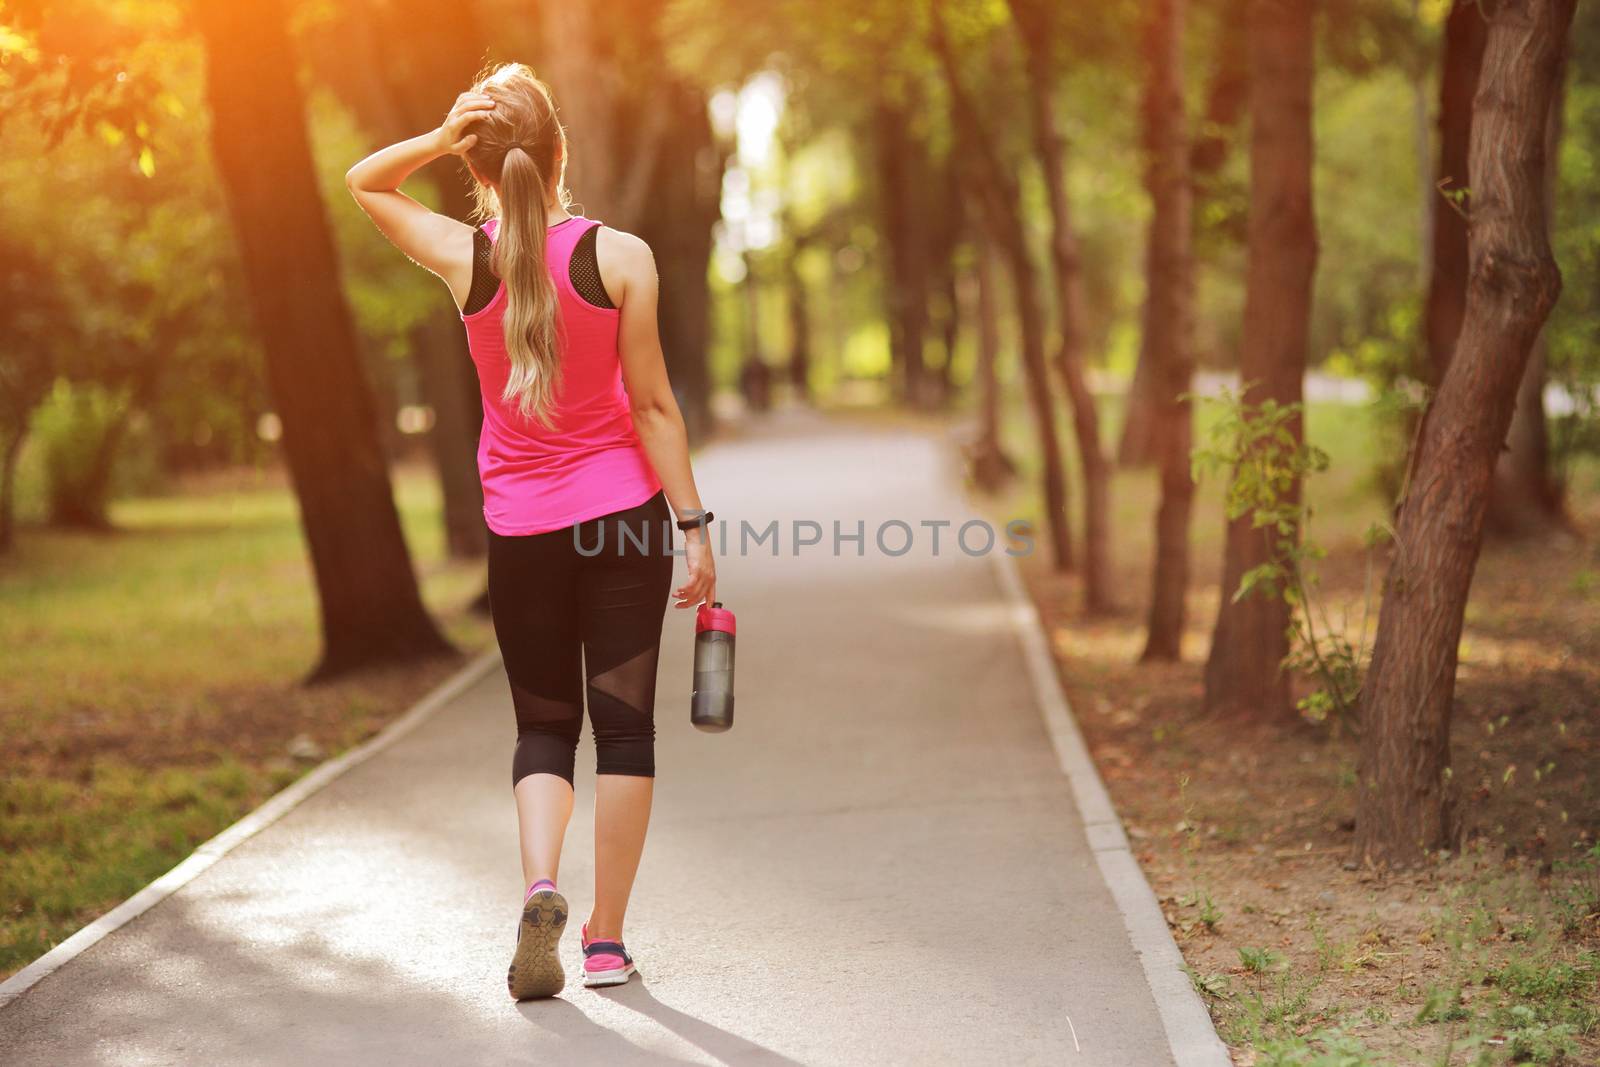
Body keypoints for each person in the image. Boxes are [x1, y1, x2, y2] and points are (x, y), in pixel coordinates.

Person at [345, 63, 717, 1000]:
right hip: (623, 524)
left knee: (544, 726)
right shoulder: (622, 256)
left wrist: (438, 137)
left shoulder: (466, 258)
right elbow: (657, 407)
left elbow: (363, 182)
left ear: (479, 161)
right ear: (563, 151)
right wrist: (694, 527)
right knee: (625, 733)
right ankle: (603, 943)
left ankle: (541, 883)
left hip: (521, 530)